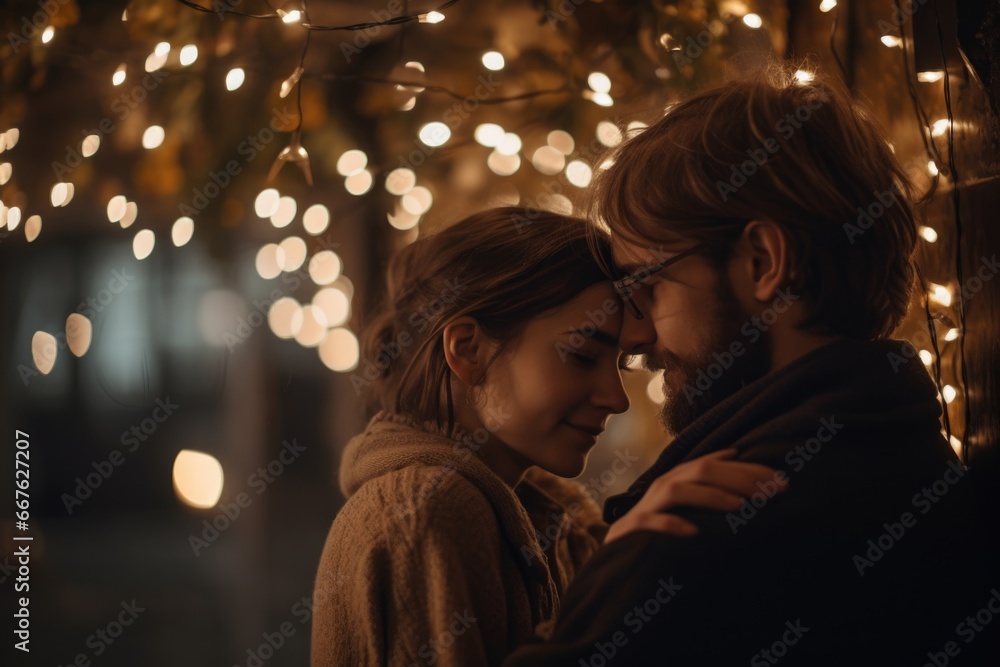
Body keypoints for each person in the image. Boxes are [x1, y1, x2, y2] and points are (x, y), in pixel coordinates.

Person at [502, 63, 997, 665]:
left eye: (648, 286)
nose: (633, 336)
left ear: (763, 261)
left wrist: (618, 572)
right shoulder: (914, 455)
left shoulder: (705, 528)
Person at [309, 207, 785, 666]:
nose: (616, 400)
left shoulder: (549, 522)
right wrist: (609, 591)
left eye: (618, 365)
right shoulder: (428, 511)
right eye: (581, 355)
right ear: (468, 349)